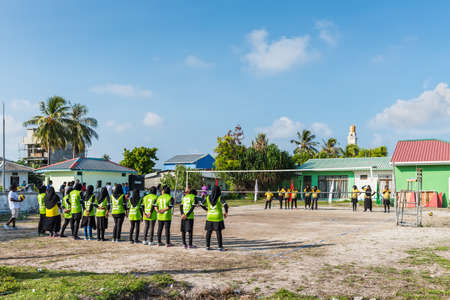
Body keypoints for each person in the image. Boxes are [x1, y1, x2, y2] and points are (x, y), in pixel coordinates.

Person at [200, 185, 229, 251]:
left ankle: (207, 246)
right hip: (217, 217)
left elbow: (201, 204)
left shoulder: (207, 197)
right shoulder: (219, 197)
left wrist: (206, 209)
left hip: (209, 217)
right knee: (218, 232)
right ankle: (220, 247)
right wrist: (226, 212)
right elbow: (225, 205)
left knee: (208, 232)